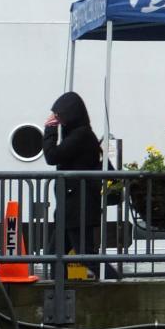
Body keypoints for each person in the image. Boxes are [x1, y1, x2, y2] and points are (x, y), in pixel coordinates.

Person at [43, 92, 112, 276]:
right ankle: (58, 294)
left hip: (78, 205)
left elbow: (52, 156)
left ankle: (119, 285)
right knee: (54, 254)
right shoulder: (79, 133)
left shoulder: (81, 135)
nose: (58, 120)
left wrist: (49, 130)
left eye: (59, 116)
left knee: (85, 255)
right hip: (72, 205)